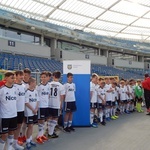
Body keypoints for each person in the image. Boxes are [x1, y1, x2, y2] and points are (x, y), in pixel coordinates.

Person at [0, 72, 17, 150]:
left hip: (13, 114)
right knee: (4, 134)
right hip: (5, 116)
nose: (13, 79)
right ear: (6, 78)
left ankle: (9, 148)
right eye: (11, 77)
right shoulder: (2, 90)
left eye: (14, 78)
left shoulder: (15, 88)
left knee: (11, 132)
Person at [48, 71, 65, 138]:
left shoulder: (49, 84)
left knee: (49, 118)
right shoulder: (61, 86)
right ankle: (51, 133)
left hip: (49, 103)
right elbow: (62, 96)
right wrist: (61, 104)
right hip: (56, 104)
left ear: (53, 76)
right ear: (59, 77)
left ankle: (49, 131)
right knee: (55, 118)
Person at [13, 71, 26, 150]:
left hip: (21, 109)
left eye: (22, 75)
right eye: (20, 75)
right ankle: (9, 145)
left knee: (19, 127)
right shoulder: (13, 86)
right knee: (11, 129)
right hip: (14, 110)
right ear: (16, 76)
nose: (22, 77)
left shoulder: (24, 86)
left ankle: (15, 143)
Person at [24, 78, 39, 150]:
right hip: (29, 112)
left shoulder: (36, 91)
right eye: (35, 82)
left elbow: (37, 100)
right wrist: (33, 109)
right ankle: (27, 142)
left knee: (32, 126)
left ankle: (30, 140)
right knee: (29, 126)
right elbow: (26, 102)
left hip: (34, 112)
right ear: (31, 83)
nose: (36, 84)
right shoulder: (26, 92)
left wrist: (36, 109)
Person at [36, 71, 50, 144]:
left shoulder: (48, 86)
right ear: (40, 78)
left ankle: (41, 135)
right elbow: (36, 97)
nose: (43, 78)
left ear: (47, 78)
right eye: (42, 77)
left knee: (44, 120)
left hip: (46, 105)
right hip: (41, 106)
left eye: (44, 77)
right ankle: (38, 136)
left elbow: (48, 95)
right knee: (40, 121)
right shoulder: (39, 86)